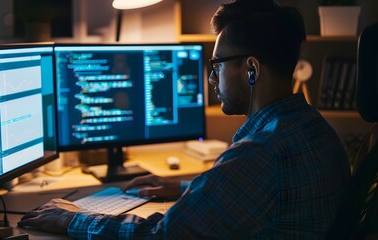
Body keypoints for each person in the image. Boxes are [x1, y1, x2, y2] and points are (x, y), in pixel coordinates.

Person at [18, 0, 351, 238]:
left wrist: (69, 221)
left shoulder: (259, 153)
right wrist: (184, 187)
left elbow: (163, 234)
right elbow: (264, 193)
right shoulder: (314, 127)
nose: (211, 79)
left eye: (217, 65)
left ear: (251, 69)